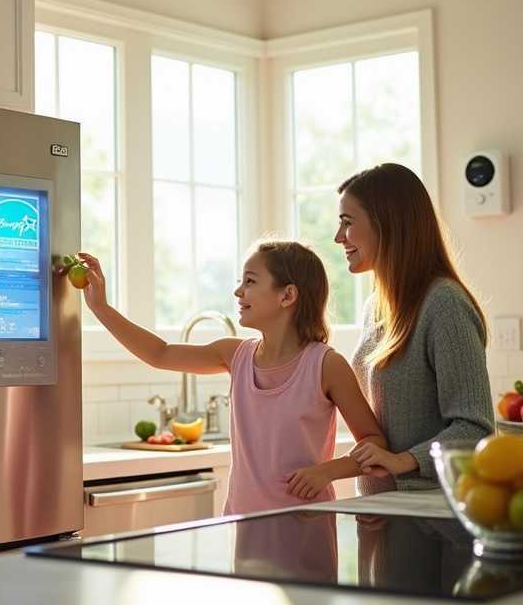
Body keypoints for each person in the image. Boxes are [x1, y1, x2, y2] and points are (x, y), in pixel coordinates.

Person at [76, 239, 387, 515]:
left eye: (250, 281)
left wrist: (328, 471)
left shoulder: (325, 365)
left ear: (287, 295)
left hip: (306, 527)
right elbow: (160, 353)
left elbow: (375, 442)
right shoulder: (234, 355)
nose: (238, 291)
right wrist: (100, 306)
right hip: (242, 524)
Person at [333, 162, 495, 494]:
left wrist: (403, 460)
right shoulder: (374, 308)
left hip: (431, 515)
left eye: (347, 223)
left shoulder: (443, 303)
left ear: (386, 224)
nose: (339, 237)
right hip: (383, 509)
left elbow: (475, 428)